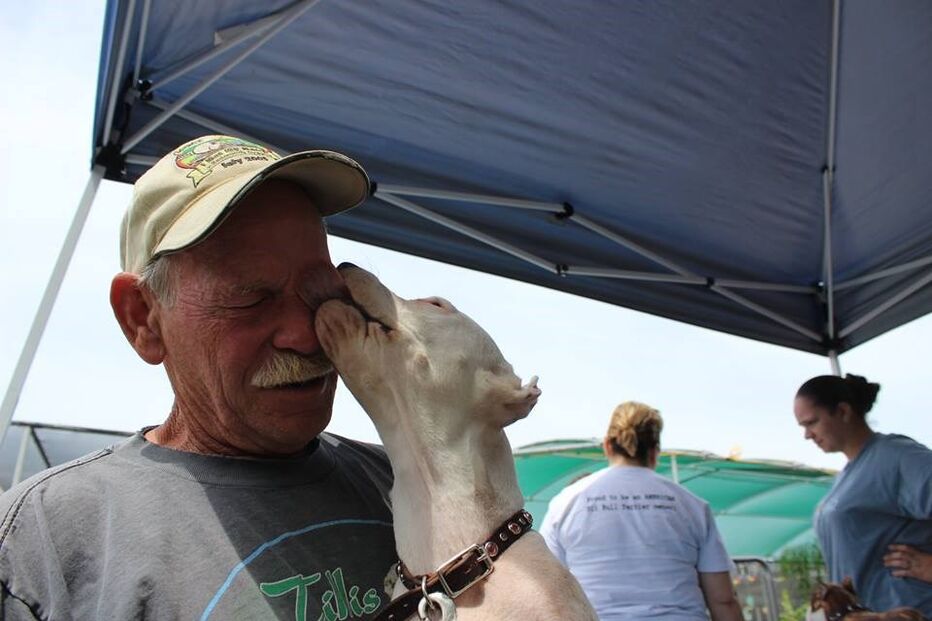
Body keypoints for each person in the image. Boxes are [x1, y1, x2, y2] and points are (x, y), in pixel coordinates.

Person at [0, 136, 398, 620]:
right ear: (142, 318)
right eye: (251, 298)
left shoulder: (402, 482)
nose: (306, 336)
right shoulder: (46, 540)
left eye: (320, 290)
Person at [540, 401, 743, 621]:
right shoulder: (692, 505)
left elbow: (546, 591)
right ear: (655, 452)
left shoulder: (565, 502)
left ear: (607, 446)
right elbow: (723, 600)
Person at [794, 373, 932, 615]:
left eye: (812, 422)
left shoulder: (898, 456)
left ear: (843, 412)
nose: (807, 435)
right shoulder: (848, 475)